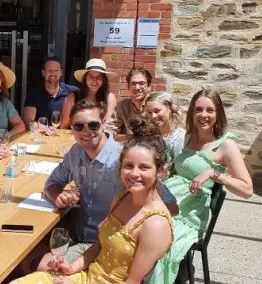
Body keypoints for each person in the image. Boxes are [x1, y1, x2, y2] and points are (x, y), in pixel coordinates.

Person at [0, 118, 173, 284]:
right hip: (88, 279)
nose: (134, 173)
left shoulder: (156, 225)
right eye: (128, 166)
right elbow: (101, 245)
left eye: (144, 167)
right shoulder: (122, 197)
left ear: (161, 171)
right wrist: (73, 266)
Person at [36, 99, 177, 271]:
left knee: (42, 265)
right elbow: (51, 184)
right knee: (28, 253)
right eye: (79, 126)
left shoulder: (125, 162)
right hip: (75, 230)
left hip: (102, 244)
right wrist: (58, 196)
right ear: (71, 128)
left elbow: (171, 206)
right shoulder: (75, 153)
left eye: (93, 125)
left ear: (103, 124)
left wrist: (122, 222)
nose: (86, 131)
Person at [149, 89, 253, 284]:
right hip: (167, 204)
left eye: (210, 110)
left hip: (189, 216)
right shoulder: (187, 138)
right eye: (198, 109)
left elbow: (247, 189)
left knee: (154, 240)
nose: (203, 115)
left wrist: (215, 174)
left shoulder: (225, 145)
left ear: (218, 114)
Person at [22, 57, 77, 132]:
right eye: (49, 70)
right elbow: (28, 120)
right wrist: (44, 129)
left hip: (63, 137)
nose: (53, 73)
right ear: (43, 73)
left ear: (61, 72)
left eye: (56, 70)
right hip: (41, 136)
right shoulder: (34, 93)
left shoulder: (72, 91)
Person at [62, 58, 117, 130]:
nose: (94, 80)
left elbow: (109, 122)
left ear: (103, 80)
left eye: (98, 77)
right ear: (85, 78)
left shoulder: (109, 97)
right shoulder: (72, 97)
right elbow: (63, 126)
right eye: (91, 76)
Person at [144, 91, 185, 166]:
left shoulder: (179, 137)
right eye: (149, 112)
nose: (153, 116)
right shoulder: (149, 134)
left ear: (170, 109)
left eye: (157, 111)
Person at [114, 68, 152, 138]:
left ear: (149, 87)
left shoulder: (155, 105)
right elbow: (112, 129)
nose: (137, 87)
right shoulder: (122, 107)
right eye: (133, 84)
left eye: (141, 83)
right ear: (128, 87)